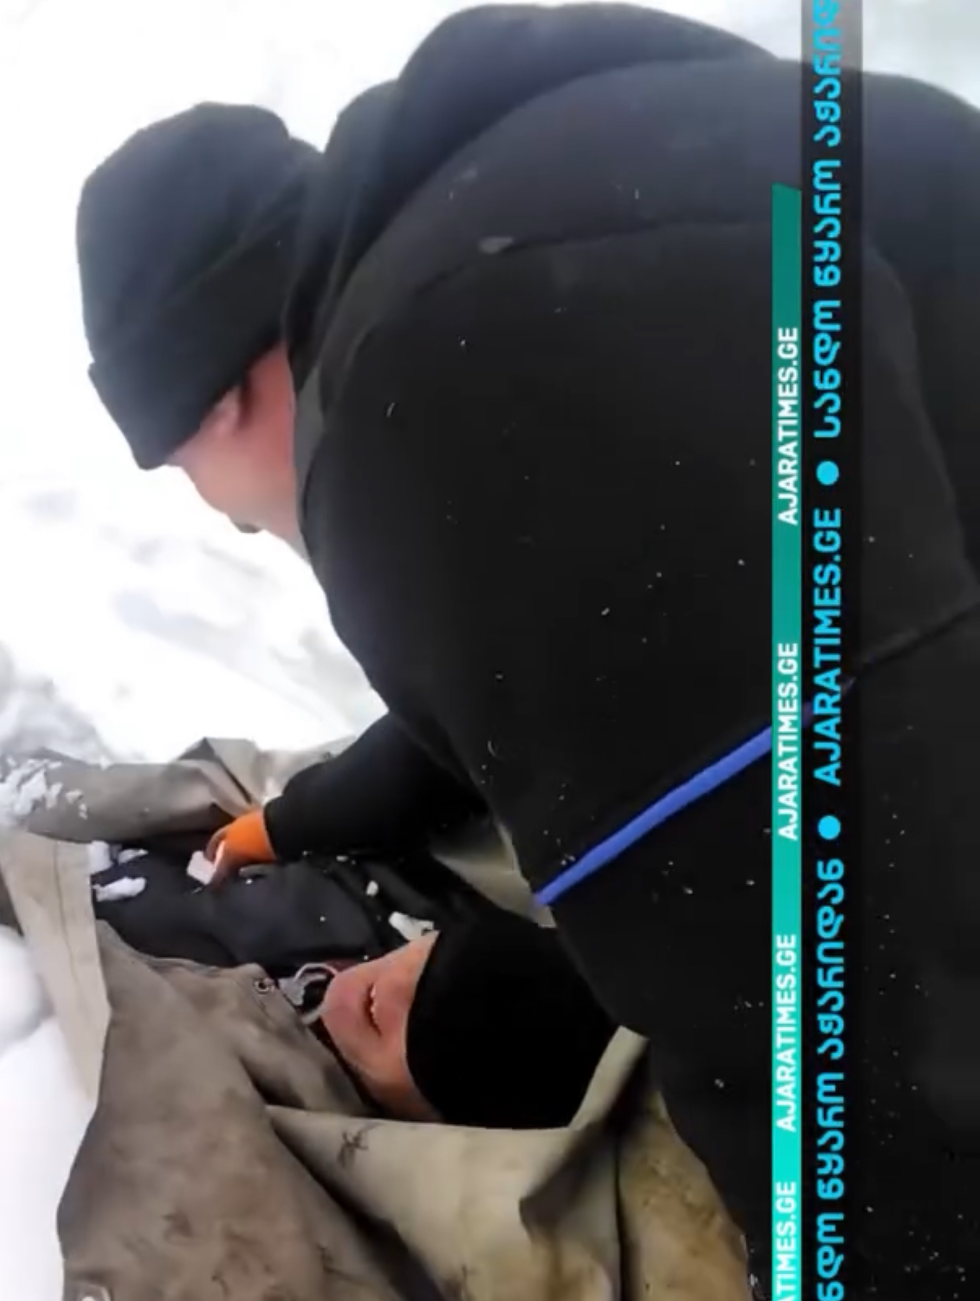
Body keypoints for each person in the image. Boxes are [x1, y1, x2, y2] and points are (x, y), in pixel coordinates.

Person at [75, 3, 980, 1289]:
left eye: (203, 489)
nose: (243, 521)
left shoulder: (429, 392)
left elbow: (832, 1023)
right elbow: (576, 672)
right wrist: (299, 819)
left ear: (211, 403)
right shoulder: (538, 200)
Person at [90, 840, 613, 1129]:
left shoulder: (280, 1110)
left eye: (472, 1040)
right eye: (424, 967)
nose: (396, 992)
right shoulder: (390, 890)